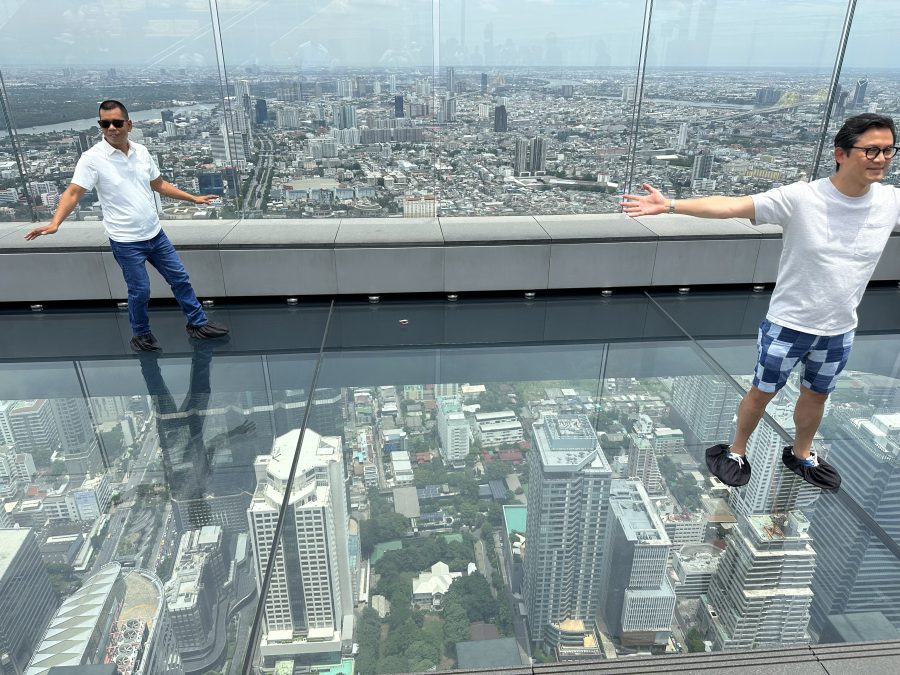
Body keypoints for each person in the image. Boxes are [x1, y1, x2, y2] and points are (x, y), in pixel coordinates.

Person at [622, 113, 900, 492]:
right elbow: (732, 206)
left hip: (840, 328)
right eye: (871, 150)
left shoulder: (889, 201)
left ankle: (801, 453)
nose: (881, 159)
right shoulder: (803, 198)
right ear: (841, 153)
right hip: (789, 323)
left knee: (817, 395)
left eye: (888, 150)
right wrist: (671, 205)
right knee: (762, 391)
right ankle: (736, 450)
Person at [25, 99, 228, 352]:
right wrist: (56, 222)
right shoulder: (92, 159)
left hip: (155, 234)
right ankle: (141, 335)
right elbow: (74, 192)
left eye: (117, 122)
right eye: (105, 123)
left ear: (129, 125)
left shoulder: (141, 152)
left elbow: (159, 184)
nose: (111, 128)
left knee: (180, 279)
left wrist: (193, 198)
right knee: (140, 290)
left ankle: (197, 324)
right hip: (126, 241)